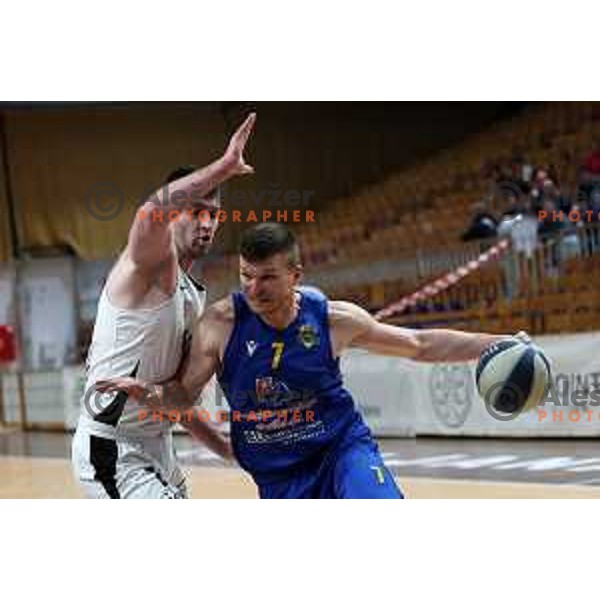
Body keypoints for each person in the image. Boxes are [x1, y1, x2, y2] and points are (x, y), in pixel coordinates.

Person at [98, 223, 519, 499]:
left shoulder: (332, 319)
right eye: (247, 275)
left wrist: (495, 343)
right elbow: (182, 395)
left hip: (339, 450)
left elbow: (420, 343)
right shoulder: (221, 324)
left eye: (267, 277)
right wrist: (148, 393)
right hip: (278, 474)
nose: (254, 288)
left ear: (296, 275)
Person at [71, 113, 257, 499]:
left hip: (159, 448)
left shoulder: (193, 294)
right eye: (196, 211)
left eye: (215, 215)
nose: (206, 223)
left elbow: (175, 399)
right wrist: (222, 168)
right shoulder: (150, 265)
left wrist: (224, 447)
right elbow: (149, 213)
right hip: (113, 447)